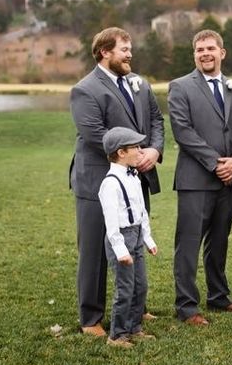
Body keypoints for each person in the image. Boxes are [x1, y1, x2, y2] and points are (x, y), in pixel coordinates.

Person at [69, 27, 164, 336]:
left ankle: (136, 309)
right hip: (98, 182)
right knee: (95, 252)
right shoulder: (85, 90)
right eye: (124, 49)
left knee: (134, 244)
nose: (130, 54)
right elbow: (95, 134)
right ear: (104, 52)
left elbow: (156, 120)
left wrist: (154, 150)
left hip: (137, 179)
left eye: (130, 48)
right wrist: (135, 155)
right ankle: (91, 318)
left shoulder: (140, 84)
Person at [168, 30, 232, 326]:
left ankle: (218, 296)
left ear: (222, 53)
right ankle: (187, 306)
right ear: (194, 54)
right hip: (196, 180)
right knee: (188, 244)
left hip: (230, 180)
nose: (205, 53)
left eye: (210, 48)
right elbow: (182, 131)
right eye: (199, 49)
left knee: (219, 241)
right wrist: (217, 164)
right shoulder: (180, 87)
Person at [99, 127, 158, 348]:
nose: (141, 151)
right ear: (121, 152)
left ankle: (134, 327)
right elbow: (111, 222)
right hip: (121, 239)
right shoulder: (110, 183)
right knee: (125, 289)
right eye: (136, 147)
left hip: (136, 234)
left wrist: (148, 239)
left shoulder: (134, 177)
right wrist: (120, 250)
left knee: (140, 286)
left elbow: (141, 211)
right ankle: (117, 335)